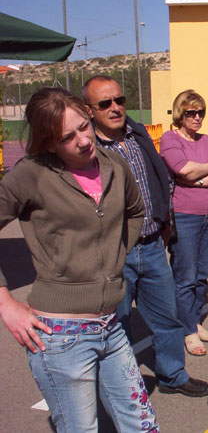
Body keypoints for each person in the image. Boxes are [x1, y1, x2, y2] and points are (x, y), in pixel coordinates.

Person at [0, 88, 158, 431]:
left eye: (84, 126)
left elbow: (135, 211)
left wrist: (114, 254)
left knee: (142, 424)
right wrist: (5, 302)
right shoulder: (31, 174)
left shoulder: (113, 163)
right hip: (59, 336)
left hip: (111, 326)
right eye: (67, 137)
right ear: (48, 143)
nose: (83, 140)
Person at [83, 76, 208, 397]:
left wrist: (165, 217)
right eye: (105, 104)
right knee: (119, 322)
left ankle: (173, 375)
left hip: (152, 244)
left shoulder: (136, 133)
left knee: (166, 318)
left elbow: (160, 175)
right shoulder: (87, 148)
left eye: (119, 100)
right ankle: (124, 385)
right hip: (116, 252)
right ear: (89, 111)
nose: (115, 108)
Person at [160, 90, 208, 356]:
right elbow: (181, 169)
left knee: (201, 274)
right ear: (180, 114)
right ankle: (187, 330)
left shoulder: (206, 140)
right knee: (185, 276)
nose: (197, 118)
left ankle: (193, 321)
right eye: (191, 113)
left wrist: (197, 177)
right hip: (184, 216)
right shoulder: (169, 138)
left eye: (201, 113)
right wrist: (204, 168)